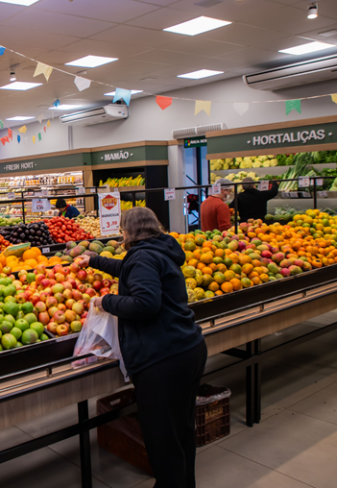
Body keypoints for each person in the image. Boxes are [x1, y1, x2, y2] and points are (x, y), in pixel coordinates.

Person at [78, 207, 206, 488]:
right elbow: (129, 267)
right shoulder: (159, 249)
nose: (121, 234)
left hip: (164, 359)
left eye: (123, 229)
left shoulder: (144, 257)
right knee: (181, 432)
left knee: (163, 441)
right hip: (188, 348)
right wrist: (95, 260)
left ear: (130, 231)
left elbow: (146, 304)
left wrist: (105, 302)